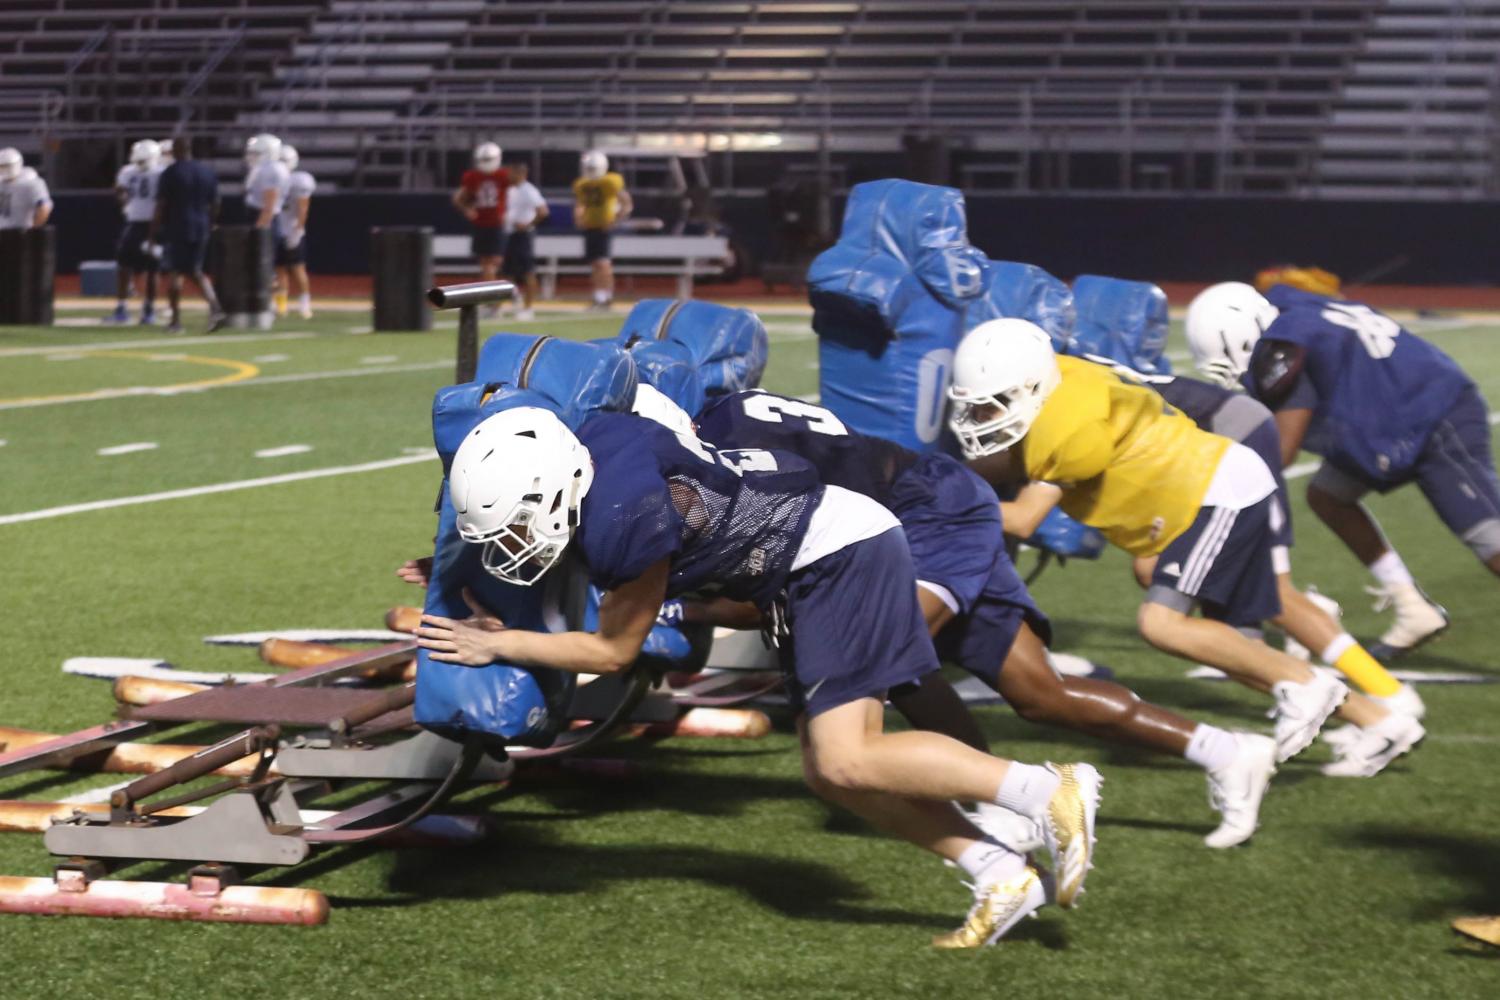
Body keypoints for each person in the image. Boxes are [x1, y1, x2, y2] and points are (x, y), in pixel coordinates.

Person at [414, 405, 1102, 948]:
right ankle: (1001, 873)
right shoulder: (599, 444)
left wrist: (497, 646)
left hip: (838, 554)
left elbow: (612, 652)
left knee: (850, 754)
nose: (515, 543)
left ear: (561, 483)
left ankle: (1047, 789)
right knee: (831, 773)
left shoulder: (627, 519)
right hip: (805, 564)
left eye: (518, 525)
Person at [696, 387, 1275, 848]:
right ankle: (1225, 751)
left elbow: (776, 589)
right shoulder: (725, 424)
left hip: (922, 512)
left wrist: (677, 605)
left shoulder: (724, 459)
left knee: (886, 655)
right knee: (1040, 693)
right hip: (928, 507)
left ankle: (1010, 799)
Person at [948, 319, 1414, 770]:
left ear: (1031, 387)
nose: (983, 418)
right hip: (1201, 493)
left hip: (1218, 492)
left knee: (1164, 624)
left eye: (993, 404)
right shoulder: (1060, 385)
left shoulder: (1065, 428)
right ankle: (1379, 720)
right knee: (1223, 641)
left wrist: (925, 504)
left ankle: (1319, 685)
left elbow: (1025, 517)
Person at [1091, 361, 1427, 775]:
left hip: (1231, 451)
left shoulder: (1057, 401)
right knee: (1228, 638)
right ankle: (1380, 716)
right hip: (1211, 453)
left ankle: (1390, 700)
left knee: (1269, 598)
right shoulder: (1066, 377)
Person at [1186, 282, 1493, 659]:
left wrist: (1210, 468)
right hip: (1389, 415)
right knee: (1329, 496)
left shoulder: (1280, 350)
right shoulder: (1286, 305)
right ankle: (1414, 608)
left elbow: (1279, 452)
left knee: (1490, 540)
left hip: (1431, 413)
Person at [150, 136, 225, 334]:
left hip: (177, 226)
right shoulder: (206, 172)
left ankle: (175, 321)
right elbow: (216, 202)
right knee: (196, 270)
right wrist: (211, 222)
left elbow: (161, 205)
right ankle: (216, 308)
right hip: (200, 226)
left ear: (176, 150)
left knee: (175, 273)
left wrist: (152, 232)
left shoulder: (170, 173)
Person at [108, 139, 164, 325]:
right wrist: (125, 203)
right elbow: (119, 190)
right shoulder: (127, 171)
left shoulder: (162, 172)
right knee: (123, 265)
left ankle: (148, 309)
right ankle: (122, 306)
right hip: (133, 223)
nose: (140, 164)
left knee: (152, 268)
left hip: (154, 224)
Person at [452, 142, 509, 311]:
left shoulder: (504, 176)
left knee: (493, 264)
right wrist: (467, 209)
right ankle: (493, 301)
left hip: (497, 224)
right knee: (487, 265)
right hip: (484, 224)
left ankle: (494, 299)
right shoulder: (473, 177)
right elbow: (459, 198)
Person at [572, 149, 631, 310]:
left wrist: (615, 219)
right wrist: (579, 217)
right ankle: (599, 296)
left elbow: (626, 203)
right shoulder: (583, 184)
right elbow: (581, 204)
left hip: (603, 228)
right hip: (590, 227)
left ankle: (607, 297)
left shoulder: (611, 182)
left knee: (603, 263)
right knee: (595, 264)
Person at [273, 143, 316, 320]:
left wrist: (297, 231)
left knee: (298, 269)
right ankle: (281, 306)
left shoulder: (299, 180)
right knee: (280, 270)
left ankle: (305, 304)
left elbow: (303, 209)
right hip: (278, 230)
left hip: (291, 230)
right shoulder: (274, 178)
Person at [502, 162, 548, 321]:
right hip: (511, 234)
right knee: (508, 272)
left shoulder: (529, 190)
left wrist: (528, 225)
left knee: (528, 271)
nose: (508, 176)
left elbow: (543, 211)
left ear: (520, 173)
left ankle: (529, 308)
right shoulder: (512, 190)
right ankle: (515, 302)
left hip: (523, 236)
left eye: (511, 172)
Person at [0, 149, 53, 231]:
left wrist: (31, 231)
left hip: (18, 233)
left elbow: (44, 209)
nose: (4, 169)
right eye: (1, 166)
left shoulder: (31, 183)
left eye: (7, 166)